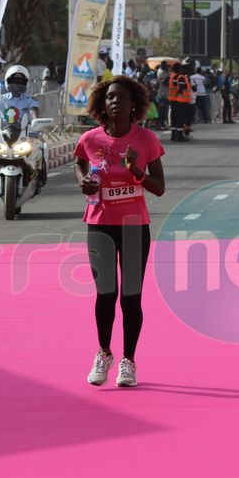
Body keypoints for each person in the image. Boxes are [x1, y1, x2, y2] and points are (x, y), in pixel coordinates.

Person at [74, 75, 166, 388]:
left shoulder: (145, 140)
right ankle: (103, 353)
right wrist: (83, 181)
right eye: (110, 98)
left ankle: (128, 360)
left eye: (122, 99)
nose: (115, 102)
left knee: (130, 296)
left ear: (133, 106)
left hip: (133, 226)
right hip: (99, 224)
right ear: (103, 103)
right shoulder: (91, 139)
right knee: (105, 294)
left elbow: (160, 188)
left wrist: (136, 171)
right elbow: (79, 161)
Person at [0, 65, 47, 186]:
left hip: (23, 132)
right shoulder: (1, 99)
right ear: (7, 82)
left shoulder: (30, 99)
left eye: (21, 82)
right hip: (3, 130)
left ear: (26, 84)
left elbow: (33, 111)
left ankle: (41, 175)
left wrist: (36, 121)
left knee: (43, 146)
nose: (17, 85)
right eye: (13, 82)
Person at [168, 63, 193, 141]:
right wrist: (180, 91)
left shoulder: (174, 76)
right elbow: (180, 89)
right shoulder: (180, 77)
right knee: (180, 118)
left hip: (176, 100)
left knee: (175, 118)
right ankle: (179, 136)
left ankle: (174, 135)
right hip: (181, 101)